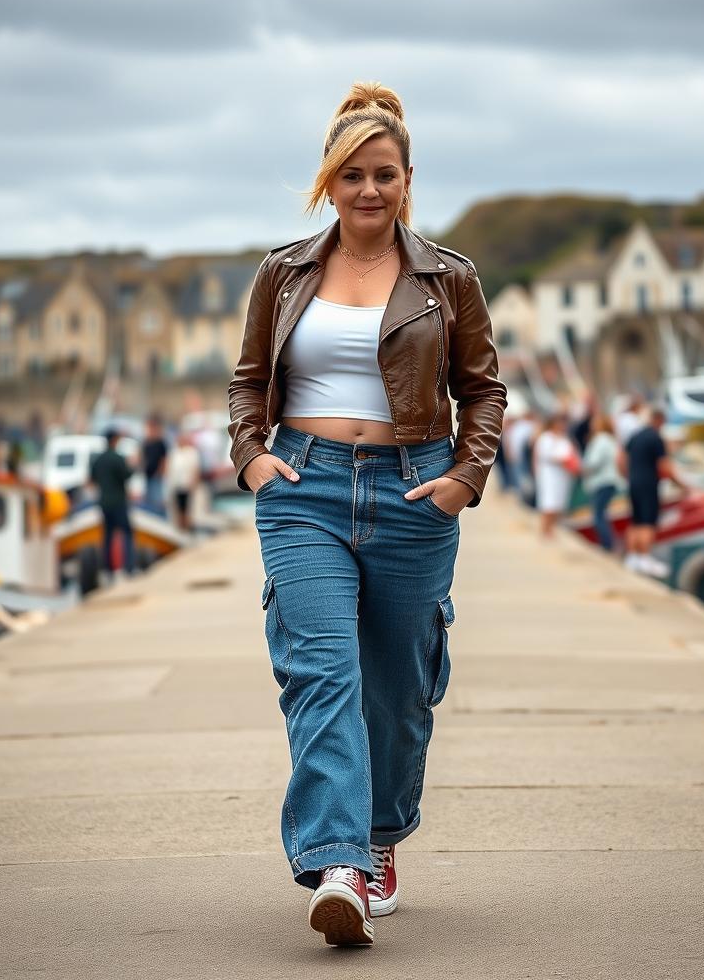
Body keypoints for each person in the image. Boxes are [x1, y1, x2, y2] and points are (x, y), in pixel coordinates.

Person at [228, 82, 506, 947]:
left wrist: (466, 475)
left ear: (407, 179)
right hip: (302, 487)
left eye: (385, 174)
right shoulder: (283, 272)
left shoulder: (448, 277)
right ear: (328, 183)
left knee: (395, 689)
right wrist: (253, 459)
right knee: (322, 674)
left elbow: (483, 390)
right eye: (352, 176)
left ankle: (380, 836)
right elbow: (247, 382)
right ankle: (338, 862)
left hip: (414, 486)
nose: (369, 191)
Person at [621, 407, 687, 577]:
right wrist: (682, 486)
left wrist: (627, 475)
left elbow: (621, 458)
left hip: (633, 482)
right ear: (660, 420)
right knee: (648, 522)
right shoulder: (655, 438)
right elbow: (664, 466)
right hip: (648, 484)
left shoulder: (635, 436)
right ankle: (644, 558)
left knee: (635, 520)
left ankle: (632, 557)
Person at [89, 429, 135, 577]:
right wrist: (133, 464)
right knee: (126, 532)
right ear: (114, 440)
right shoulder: (117, 458)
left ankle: (107, 569)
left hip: (104, 502)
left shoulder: (99, 459)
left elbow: (92, 478)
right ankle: (129, 567)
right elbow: (127, 474)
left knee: (107, 535)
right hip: (118, 502)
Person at [582, 414, 623, 551]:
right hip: (610, 481)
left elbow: (594, 462)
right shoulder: (611, 440)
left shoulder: (600, 440)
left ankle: (607, 545)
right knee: (602, 514)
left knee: (598, 515)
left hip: (601, 482)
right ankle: (609, 542)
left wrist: (582, 468)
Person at [532, 412, 577, 539]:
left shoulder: (565, 438)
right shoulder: (545, 438)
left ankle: (551, 529)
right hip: (549, 474)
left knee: (558, 503)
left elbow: (571, 454)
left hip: (562, 476)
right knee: (548, 501)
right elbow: (545, 455)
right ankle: (545, 529)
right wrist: (562, 460)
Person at [166, 434, 201, 532]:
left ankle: (187, 527)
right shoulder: (174, 452)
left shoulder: (192, 452)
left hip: (187, 484)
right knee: (178, 507)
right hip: (177, 484)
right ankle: (180, 528)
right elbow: (170, 468)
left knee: (187, 507)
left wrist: (194, 482)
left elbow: (195, 468)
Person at [141, 414, 168, 512]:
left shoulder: (160, 442)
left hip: (156, 475)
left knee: (157, 499)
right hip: (148, 474)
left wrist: (161, 471)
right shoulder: (147, 442)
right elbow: (143, 457)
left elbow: (164, 459)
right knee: (149, 499)